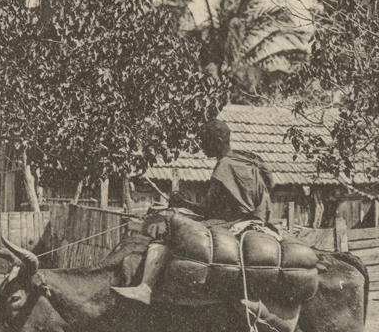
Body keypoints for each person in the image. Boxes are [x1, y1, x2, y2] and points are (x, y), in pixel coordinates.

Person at [111, 119, 272, 305]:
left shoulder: (224, 166)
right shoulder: (245, 159)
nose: (202, 147)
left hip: (232, 224)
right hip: (253, 222)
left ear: (217, 140)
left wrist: (183, 203)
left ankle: (146, 287)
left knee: (169, 234)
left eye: (204, 141)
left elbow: (209, 210)